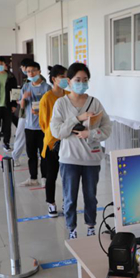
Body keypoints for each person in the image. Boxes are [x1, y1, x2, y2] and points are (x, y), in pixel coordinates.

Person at [50, 63, 111, 239]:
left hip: (91, 159)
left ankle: (91, 226)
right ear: (69, 81)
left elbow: (107, 129)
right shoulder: (61, 103)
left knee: (91, 196)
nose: (81, 83)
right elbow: (57, 132)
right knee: (70, 197)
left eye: (85, 80)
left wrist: (90, 133)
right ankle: (71, 228)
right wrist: (77, 118)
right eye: (78, 80)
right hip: (69, 159)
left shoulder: (95, 103)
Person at [39, 64, 69, 217]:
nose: (66, 80)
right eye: (62, 77)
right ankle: (51, 203)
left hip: (68, 140)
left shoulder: (69, 95)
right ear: (54, 79)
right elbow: (43, 123)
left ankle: (66, 202)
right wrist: (54, 134)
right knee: (52, 175)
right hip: (52, 142)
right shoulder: (47, 98)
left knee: (67, 175)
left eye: (67, 77)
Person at [19, 61, 51, 187]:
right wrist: (23, 98)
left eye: (33, 71)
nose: (31, 73)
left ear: (39, 71)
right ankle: (33, 178)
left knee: (44, 154)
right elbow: (22, 107)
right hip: (29, 127)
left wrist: (40, 111)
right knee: (31, 154)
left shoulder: (46, 88)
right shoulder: (26, 87)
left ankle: (44, 177)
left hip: (43, 127)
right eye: (28, 71)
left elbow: (50, 107)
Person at [12, 58, 36, 166]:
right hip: (24, 112)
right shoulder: (26, 81)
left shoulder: (39, 82)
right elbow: (21, 98)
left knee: (35, 136)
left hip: (34, 113)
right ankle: (15, 157)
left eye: (22, 67)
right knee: (20, 135)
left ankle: (36, 158)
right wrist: (20, 100)